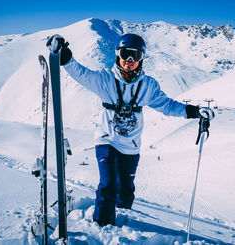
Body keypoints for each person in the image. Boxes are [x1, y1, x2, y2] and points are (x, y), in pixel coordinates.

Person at [46, 33, 214, 226]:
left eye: (135, 55)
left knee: (126, 193)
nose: (130, 61)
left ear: (141, 58)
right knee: (108, 185)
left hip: (131, 146)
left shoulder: (148, 86)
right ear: (118, 55)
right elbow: (81, 74)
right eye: (126, 54)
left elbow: (167, 105)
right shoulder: (106, 80)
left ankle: (125, 223)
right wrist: (64, 54)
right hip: (106, 140)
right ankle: (103, 227)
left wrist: (194, 112)